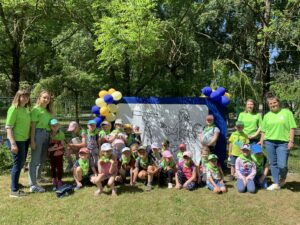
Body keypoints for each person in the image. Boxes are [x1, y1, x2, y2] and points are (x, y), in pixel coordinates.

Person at [259, 94, 297, 191]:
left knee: (282, 165)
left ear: (278, 103)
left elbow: (292, 127)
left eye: (274, 102)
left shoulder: (287, 113)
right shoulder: (267, 116)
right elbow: (263, 130)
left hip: (283, 143)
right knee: (273, 163)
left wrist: (291, 141)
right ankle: (276, 183)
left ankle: (283, 178)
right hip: (269, 142)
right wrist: (261, 141)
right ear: (268, 105)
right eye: (270, 103)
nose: (273, 104)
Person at [6, 90, 31, 197]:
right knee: (17, 164)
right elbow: (8, 127)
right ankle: (14, 191)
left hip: (25, 140)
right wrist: (13, 143)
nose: (25, 98)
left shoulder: (25, 110)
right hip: (17, 140)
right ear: (18, 97)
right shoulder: (13, 109)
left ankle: (15, 184)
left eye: (27, 96)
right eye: (23, 96)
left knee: (21, 164)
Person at [29, 90, 54, 193]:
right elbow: (33, 127)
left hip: (47, 134)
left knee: (42, 158)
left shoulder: (49, 111)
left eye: (48, 98)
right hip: (38, 134)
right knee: (35, 160)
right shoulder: (35, 110)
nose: (46, 100)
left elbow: (51, 124)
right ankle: (33, 185)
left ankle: (38, 178)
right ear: (39, 98)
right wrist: (33, 140)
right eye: (44, 97)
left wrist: (51, 135)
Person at [48, 119, 65, 191]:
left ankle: (60, 180)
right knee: (52, 166)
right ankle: (54, 180)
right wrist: (52, 148)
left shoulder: (61, 134)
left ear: (59, 126)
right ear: (50, 126)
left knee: (60, 166)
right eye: (53, 126)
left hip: (59, 153)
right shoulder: (48, 134)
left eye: (56, 125)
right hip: (51, 153)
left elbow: (63, 145)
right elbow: (48, 147)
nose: (55, 127)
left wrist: (55, 148)